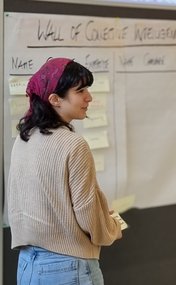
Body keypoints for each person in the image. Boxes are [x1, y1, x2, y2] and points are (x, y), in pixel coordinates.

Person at [6, 57, 122, 285]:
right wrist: (113, 228)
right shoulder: (73, 145)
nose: (89, 97)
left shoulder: (24, 139)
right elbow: (87, 213)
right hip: (69, 267)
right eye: (80, 91)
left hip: (27, 264)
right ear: (55, 99)